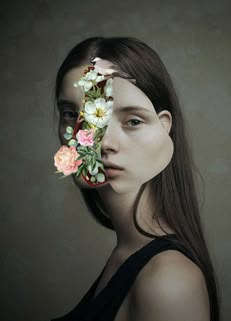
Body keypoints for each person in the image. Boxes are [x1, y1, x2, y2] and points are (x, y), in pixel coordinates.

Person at [51, 36, 221, 321]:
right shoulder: (128, 253)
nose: (103, 143)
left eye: (132, 121)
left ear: (163, 127)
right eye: (73, 114)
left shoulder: (168, 279)